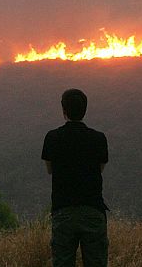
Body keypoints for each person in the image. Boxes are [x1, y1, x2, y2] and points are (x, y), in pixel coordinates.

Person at [42, 88, 109, 267]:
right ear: (84, 110)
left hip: (63, 210)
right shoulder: (99, 138)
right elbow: (100, 169)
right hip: (93, 209)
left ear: (64, 110)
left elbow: (50, 169)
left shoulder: (52, 137)